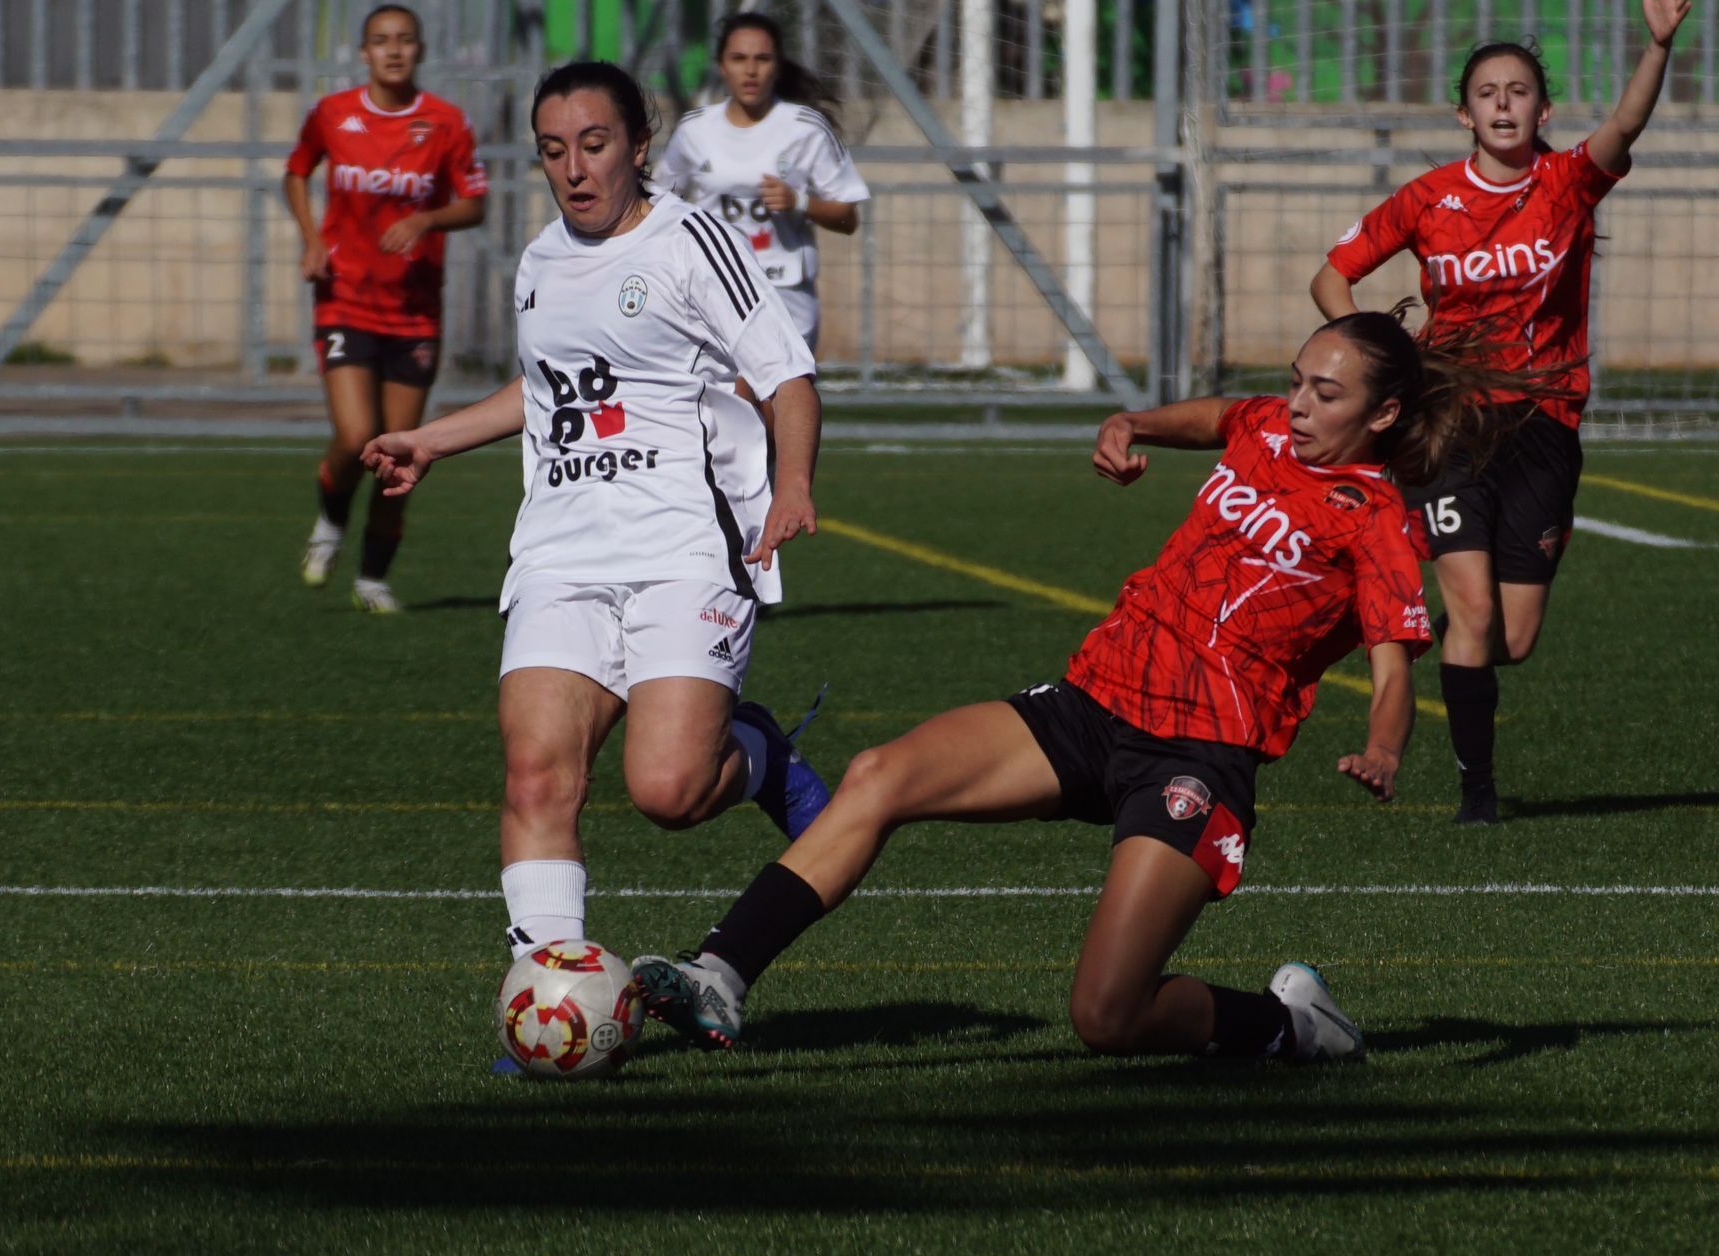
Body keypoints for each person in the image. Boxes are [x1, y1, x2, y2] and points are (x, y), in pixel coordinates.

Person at [633, 308, 1556, 1064]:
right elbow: (1218, 417)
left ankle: (1286, 1025)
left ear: (1383, 416)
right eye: (1297, 378)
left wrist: (1385, 744)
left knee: (1106, 1018)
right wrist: (1132, 424)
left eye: (1328, 391)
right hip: (1095, 700)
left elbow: (1395, 664)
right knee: (880, 775)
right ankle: (721, 973)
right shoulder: (1270, 427)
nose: (1299, 403)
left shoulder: (1377, 523)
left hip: (1196, 757)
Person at [361, 60, 832, 985]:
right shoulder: (541, 260)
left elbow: (786, 372)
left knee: (667, 791)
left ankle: (758, 753)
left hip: (682, 549)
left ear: (638, 148)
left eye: (594, 144)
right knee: (537, 775)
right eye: (552, 150)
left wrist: (792, 483)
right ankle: (552, 993)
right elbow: (545, 390)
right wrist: (433, 440)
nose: (573, 169)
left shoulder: (690, 242)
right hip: (560, 550)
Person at [1309, 0, 1698, 824]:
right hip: (1449, 425)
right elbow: (1332, 276)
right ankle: (1477, 796)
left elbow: (1627, 124)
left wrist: (1657, 45)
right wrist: (1389, 361)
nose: (1503, 104)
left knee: (1508, 638)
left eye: (1519, 91)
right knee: (1475, 614)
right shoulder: (1428, 198)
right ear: (1464, 115)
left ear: (1542, 111)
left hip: (1545, 429)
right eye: (1486, 93)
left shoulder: (1567, 184)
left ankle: (1458, 636)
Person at [284, 3, 487, 612]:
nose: (393, 51)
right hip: (345, 298)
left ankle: (372, 580)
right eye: (381, 41)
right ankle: (328, 521)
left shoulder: (447, 123)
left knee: (398, 452)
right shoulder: (333, 114)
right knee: (354, 436)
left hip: (414, 311)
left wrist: (427, 216)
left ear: (420, 51)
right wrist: (312, 237)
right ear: (363, 51)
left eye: (404, 41)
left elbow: (475, 204)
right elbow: (296, 173)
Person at [653, 12, 869, 354]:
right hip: (715, 289)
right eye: (738, 59)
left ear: (778, 66)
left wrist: (799, 202)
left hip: (785, 293)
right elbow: (656, 206)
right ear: (722, 66)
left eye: (762, 59)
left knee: (782, 405)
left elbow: (848, 218)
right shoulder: (695, 129)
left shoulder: (806, 128)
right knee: (723, 404)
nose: (750, 71)